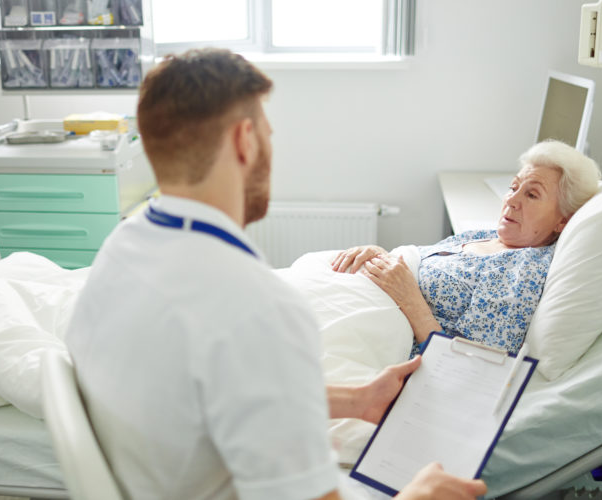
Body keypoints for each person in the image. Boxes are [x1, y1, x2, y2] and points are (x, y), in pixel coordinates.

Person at [65, 48, 486, 500]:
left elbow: (206, 391)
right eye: (268, 134)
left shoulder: (122, 249)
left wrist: (356, 401)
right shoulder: (256, 306)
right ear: (245, 140)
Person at [332, 140, 602, 354]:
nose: (511, 201)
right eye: (513, 187)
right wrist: (383, 257)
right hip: (349, 294)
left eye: (531, 194)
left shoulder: (520, 274)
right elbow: (417, 268)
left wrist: (408, 298)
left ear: (562, 220)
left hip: (366, 333)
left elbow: (468, 369)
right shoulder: (487, 235)